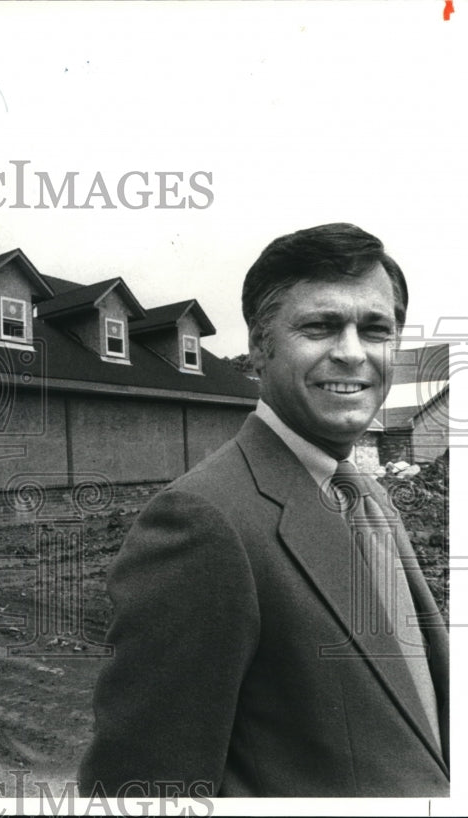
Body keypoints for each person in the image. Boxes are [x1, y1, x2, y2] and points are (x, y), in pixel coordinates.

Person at [79, 223, 449, 797]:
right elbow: (141, 791)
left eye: (376, 329)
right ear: (259, 346)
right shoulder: (202, 522)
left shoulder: (369, 497)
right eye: (320, 326)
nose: (352, 352)